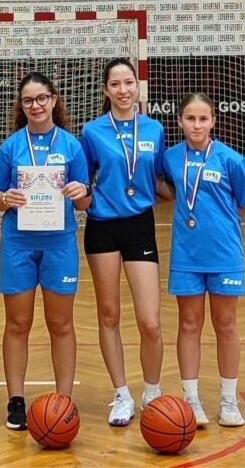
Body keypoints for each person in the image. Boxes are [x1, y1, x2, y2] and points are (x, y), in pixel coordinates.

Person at [0, 72, 90, 430]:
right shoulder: (11, 147)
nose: (36, 105)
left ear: (53, 100)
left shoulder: (72, 146)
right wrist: (6, 198)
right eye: (28, 100)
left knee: (60, 323)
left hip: (59, 243)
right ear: (21, 105)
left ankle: (64, 400)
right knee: (18, 323)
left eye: (42, 98)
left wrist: (81, 192)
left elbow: (85, 201)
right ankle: (16, 400)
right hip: (18, 242)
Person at [79, 58, 168, 426]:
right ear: (106, 90)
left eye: (128, 82)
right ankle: (121, 394)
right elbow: (83, 181)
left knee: (150, 321)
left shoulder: (155, 129)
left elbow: (161, 179)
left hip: (139, 225)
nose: (123, 90)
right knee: (109, 315)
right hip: (102, 226)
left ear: (137, 86)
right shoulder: (92, 131)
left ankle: (153, 391)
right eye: (115, 84)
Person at [163, 93, 245, 427]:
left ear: (213, 121)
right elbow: (164, 189)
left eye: (203, 118)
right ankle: (191, 400)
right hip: (186, 255)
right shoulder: (170, 157)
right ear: (180, 122)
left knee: (226, 323)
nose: (197, 125)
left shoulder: (232, 160)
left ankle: (229, 400)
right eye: (190, 118)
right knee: (189, 323)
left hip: (224, 254)